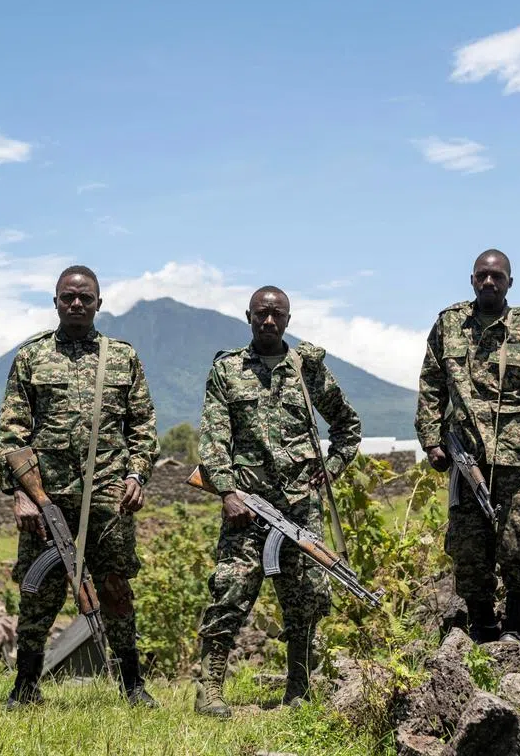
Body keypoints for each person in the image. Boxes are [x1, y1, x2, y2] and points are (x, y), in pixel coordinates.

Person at [0, 265, 160, 709]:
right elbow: (11, 432)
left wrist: (137, 474)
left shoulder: (122, 357)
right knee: (38, 592)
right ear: (55, 302)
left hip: (108, 495)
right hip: (45, 498)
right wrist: (20, 494)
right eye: (68, 297)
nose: (76, 304)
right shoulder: (31, 357)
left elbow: (143, 427)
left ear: (98, 304)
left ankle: (132, 685)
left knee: (115, 587)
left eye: (85, 298)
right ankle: (25, 687)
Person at [193, 286, 362, 718]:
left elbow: (347, 424)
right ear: (248, 316)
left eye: (277, 315)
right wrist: (228, 491)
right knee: (228, 594)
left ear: (288, 319)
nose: (269, 321)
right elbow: (214, 437)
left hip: (300, 510)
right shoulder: (227, 370)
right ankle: (209, 690)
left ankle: (299, 688)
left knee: (304, 600)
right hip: (245, 509)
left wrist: (334, 467)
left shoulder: (307, 369)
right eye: (261, 314)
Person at [415, 249, 520, 644]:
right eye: (482, 275)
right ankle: (481, 629)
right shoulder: (448, 324)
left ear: (509, 282)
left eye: (497, 277)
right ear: (471, 279)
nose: (489, 282)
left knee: (517, 542)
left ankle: (517, 628)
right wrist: (432, 441)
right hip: (466, 461)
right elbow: (431, 384)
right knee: (468, 549)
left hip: (516, 459)